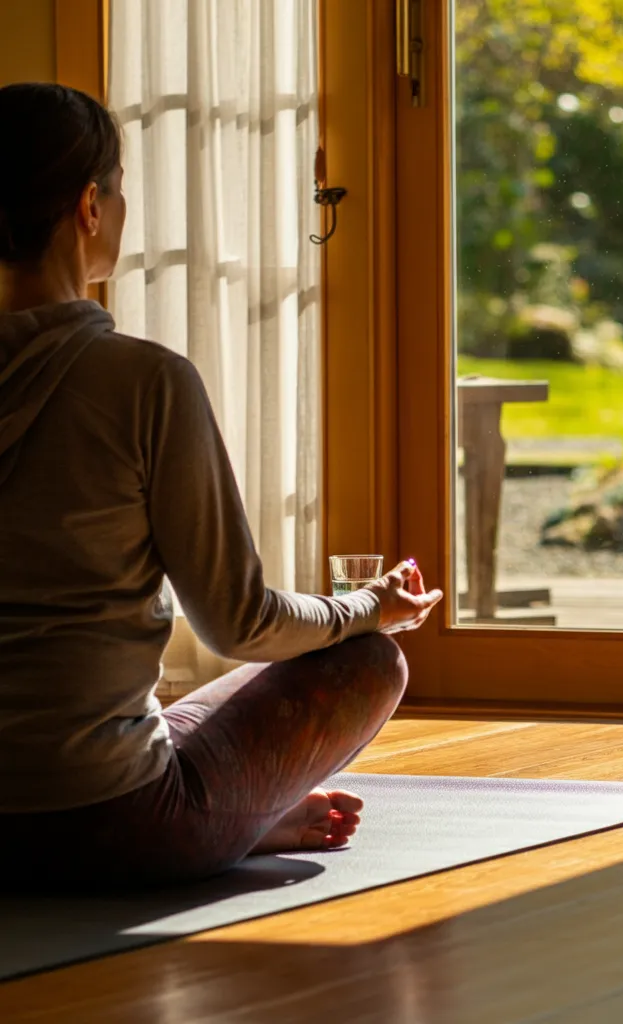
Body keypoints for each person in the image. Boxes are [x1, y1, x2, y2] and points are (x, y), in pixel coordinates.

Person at [0, 82, 443, 888]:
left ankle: (238, 811)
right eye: (120, 189)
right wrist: (366, 608)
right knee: (369, 660)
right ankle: (240, 819)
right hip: (115, 827)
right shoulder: (144, 381)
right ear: (89, 208)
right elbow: (241, 624)